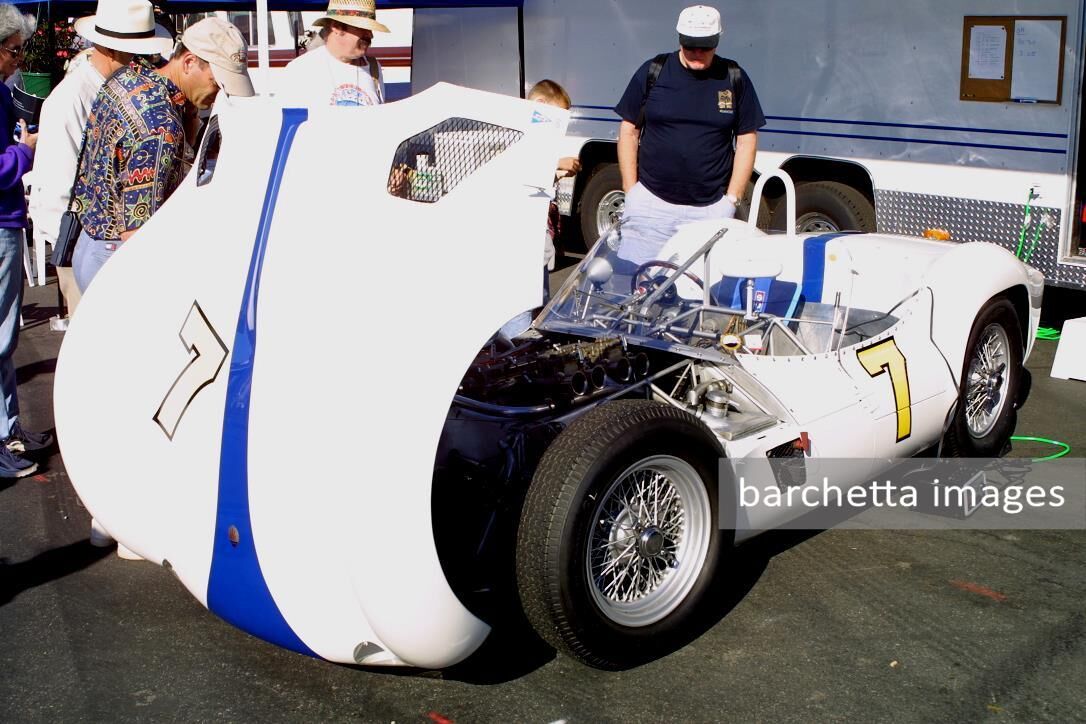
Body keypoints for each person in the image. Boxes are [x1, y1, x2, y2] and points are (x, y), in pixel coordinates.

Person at [70, 16, 253, 292]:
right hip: (117, 256)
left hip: (91, 240)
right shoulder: (161, 126)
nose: (218, 93)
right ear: (189, 62)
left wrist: (189, 114)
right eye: (216, 83)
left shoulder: (130, 78)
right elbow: (137, 228)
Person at [28, 0, 174, 321]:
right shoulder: (70, 98)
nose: (143, 62)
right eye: (135, 53)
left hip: (100, 241)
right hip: (87, 241)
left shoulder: (109, 87)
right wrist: (76, 252)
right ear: (111, 51)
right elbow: (57, 185)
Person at [614, 5, 765, 261]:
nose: (697, 53)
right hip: (651, 206)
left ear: (717, 41)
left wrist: (732, 199)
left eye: (705, 47)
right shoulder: (654, 71)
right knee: (639, 286)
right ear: (679, 39)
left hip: (710, 210)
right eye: (690, 45)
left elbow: (746, 139)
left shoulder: (733, 77)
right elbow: (629, 131)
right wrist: (631, 191)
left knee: (700, 292)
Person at [0, 4, 53, 478]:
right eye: (14, 51)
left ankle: (8, 428)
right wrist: (24, 151)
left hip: (6, 221)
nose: (19, 60)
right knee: (0, 337)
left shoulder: (2, 92)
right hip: (0, 223)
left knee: (6, 336)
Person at [527, 79, 580, 301]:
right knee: (531, 296)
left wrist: (557, 174)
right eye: (558, 117)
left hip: (536, 233)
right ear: (540, 103)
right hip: (523, 236)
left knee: (541, 292)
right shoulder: (524, 130)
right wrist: (557, 163)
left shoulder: (540, 134)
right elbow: (521, 170)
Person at [280, 0, 389, 107]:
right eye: (363, 28)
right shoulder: (300, 70)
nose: (370, 35)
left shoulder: (374, 68)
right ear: (337, 27)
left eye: (370, 29)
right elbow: (289, 122)